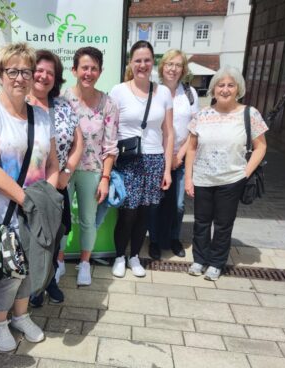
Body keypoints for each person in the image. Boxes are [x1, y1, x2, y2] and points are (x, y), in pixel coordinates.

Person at [0, 43, 59, 352]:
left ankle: (21, 315)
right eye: (13, 71)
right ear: (0, 74)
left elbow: (53, 164)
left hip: (36, 208)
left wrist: (48, 197)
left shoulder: (42, 116)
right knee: (10, 271)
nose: (20, 78)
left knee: (32, 266)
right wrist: (28, 201)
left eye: (26, 71)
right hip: (4, 210)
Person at [185, 66, 268, 281]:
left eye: (230, 85)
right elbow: (191, 147)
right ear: (213, 89)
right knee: (201, 222)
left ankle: (216, 262)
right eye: (220, 85)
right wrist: (188, 178)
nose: (225, 89)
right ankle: (199, 259)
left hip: (231, 179)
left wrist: (245, 173)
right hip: (203, 178)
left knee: (223, 224)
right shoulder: (202, 115)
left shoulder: (249, 113)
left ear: (238, 88)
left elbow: (260, 147)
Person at [109, 41, 174, 277]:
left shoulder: (163, 92)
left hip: (155, 160)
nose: (142, 65)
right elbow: (111, 128)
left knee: (146, 212)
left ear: (152, 63)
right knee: (127, 212)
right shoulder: (118, 91)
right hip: (128, 160)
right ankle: (119, 255)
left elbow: (169, 132)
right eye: (138, 60)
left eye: (147, 60)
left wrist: (166, 169)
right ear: (130, 63)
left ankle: (134, 256)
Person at [27, 49, 83, 305]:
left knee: (56, 233)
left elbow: (78, 144)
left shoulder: (63, 105)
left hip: (58, 184)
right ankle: (32, 287)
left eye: (50, 72)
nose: (44, 76)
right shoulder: (19, 104)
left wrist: (67, 172)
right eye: (39, 69)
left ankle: (48, 280)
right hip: (27, 187)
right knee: (31, 238)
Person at [61, 46, 118, 286]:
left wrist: (105, 178)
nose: (89, 72)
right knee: (62, 219)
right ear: (74, 70)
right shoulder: (62, 100)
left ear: (100, 71)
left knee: (87, 218)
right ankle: (59, 261)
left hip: (93, 170)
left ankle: (85, 262)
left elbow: (111, 145)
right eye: (84, 67)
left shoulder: (108, 104)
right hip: (64, 169)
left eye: (94, 68)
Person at [149, 49, 199, 259]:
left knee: (178, 205)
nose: (173, 68)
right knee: (155, 202)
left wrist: (180, 157)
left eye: (178, 65)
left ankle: (173, 237)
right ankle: (153, 240)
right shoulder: (153, 90)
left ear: (183, 69)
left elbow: (195, 128)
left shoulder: (189, 94)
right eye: (169, 64)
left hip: (180, 156)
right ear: (162, 67)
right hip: (156, 155)